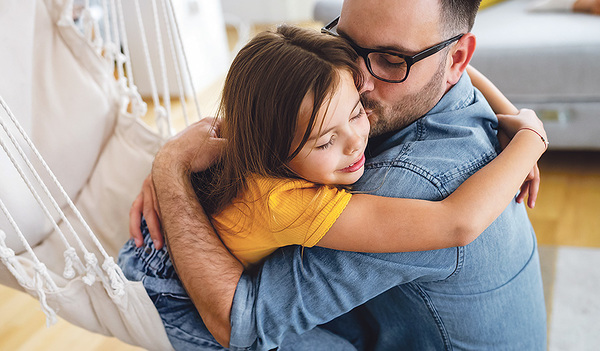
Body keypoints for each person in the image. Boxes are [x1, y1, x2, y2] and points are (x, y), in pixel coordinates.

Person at [124, 0, 548, 349]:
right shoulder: (430, 85)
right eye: (345, 44)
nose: (358, 82)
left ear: (455, 57)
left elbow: (241, 323)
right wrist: (514, 117)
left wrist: (171, 171)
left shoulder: (411, 187)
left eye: (390, 59)